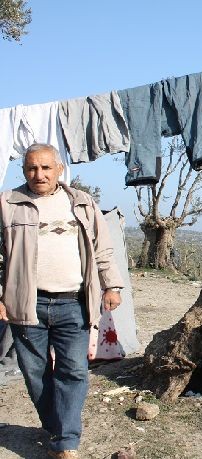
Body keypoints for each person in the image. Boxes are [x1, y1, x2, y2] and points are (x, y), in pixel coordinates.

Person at [0, 143, 124, 459]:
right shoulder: (8, 204)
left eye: (45, 168)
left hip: (74, 303)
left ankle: (66, 441)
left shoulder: (81, 203)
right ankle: (58, 426)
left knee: (75, 372)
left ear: (58, 169)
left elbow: (102, 249)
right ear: (24, 170)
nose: (38, 174)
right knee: (35, 373)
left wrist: (112, 286)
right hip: (27, 305)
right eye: (31, 168)